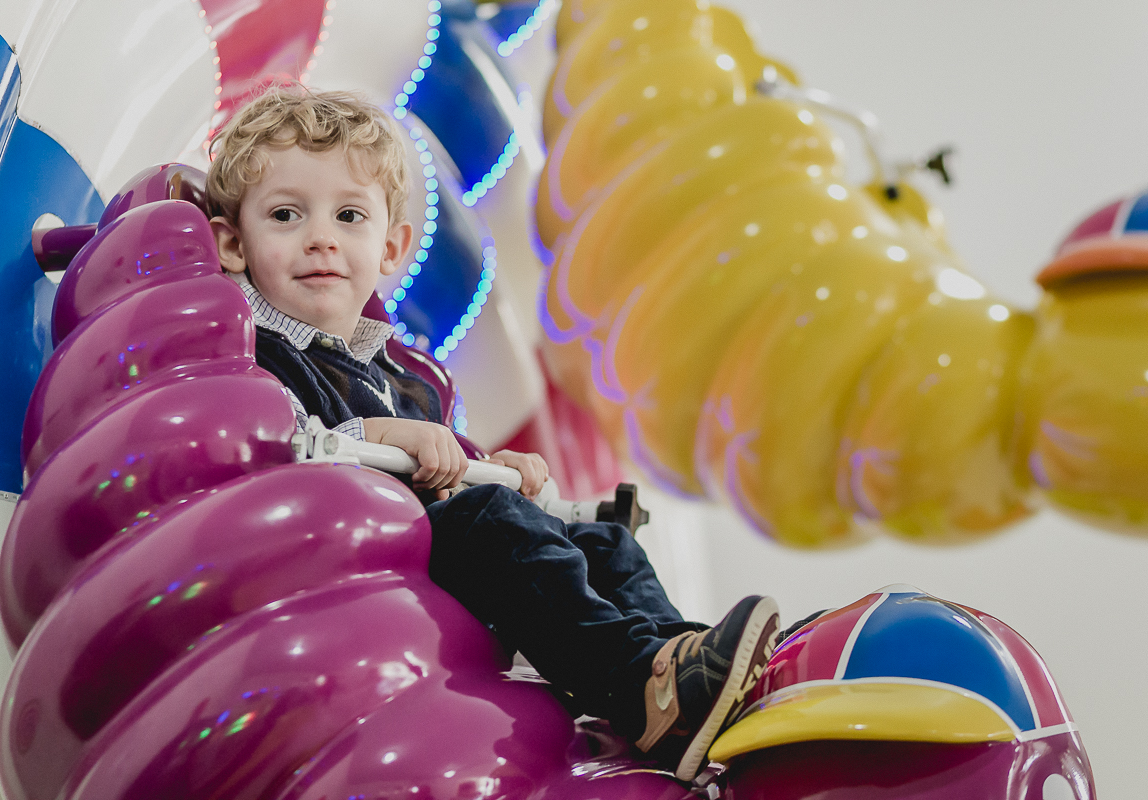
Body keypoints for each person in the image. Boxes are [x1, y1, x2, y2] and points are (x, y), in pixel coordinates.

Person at [205, 84, 779, 781]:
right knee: (485, 520)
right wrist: (397, 439)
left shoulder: (398, 370)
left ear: (390, 248)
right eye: (287, 215)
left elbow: (445, 466)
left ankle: (679, 668)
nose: (321, 236)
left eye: (349, 215)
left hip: (440, 549)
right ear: (234, 243)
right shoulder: (254, 348)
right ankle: (637, 688)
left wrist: (492, 465)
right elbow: (274, 441)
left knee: (602, 540)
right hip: (366, 575)